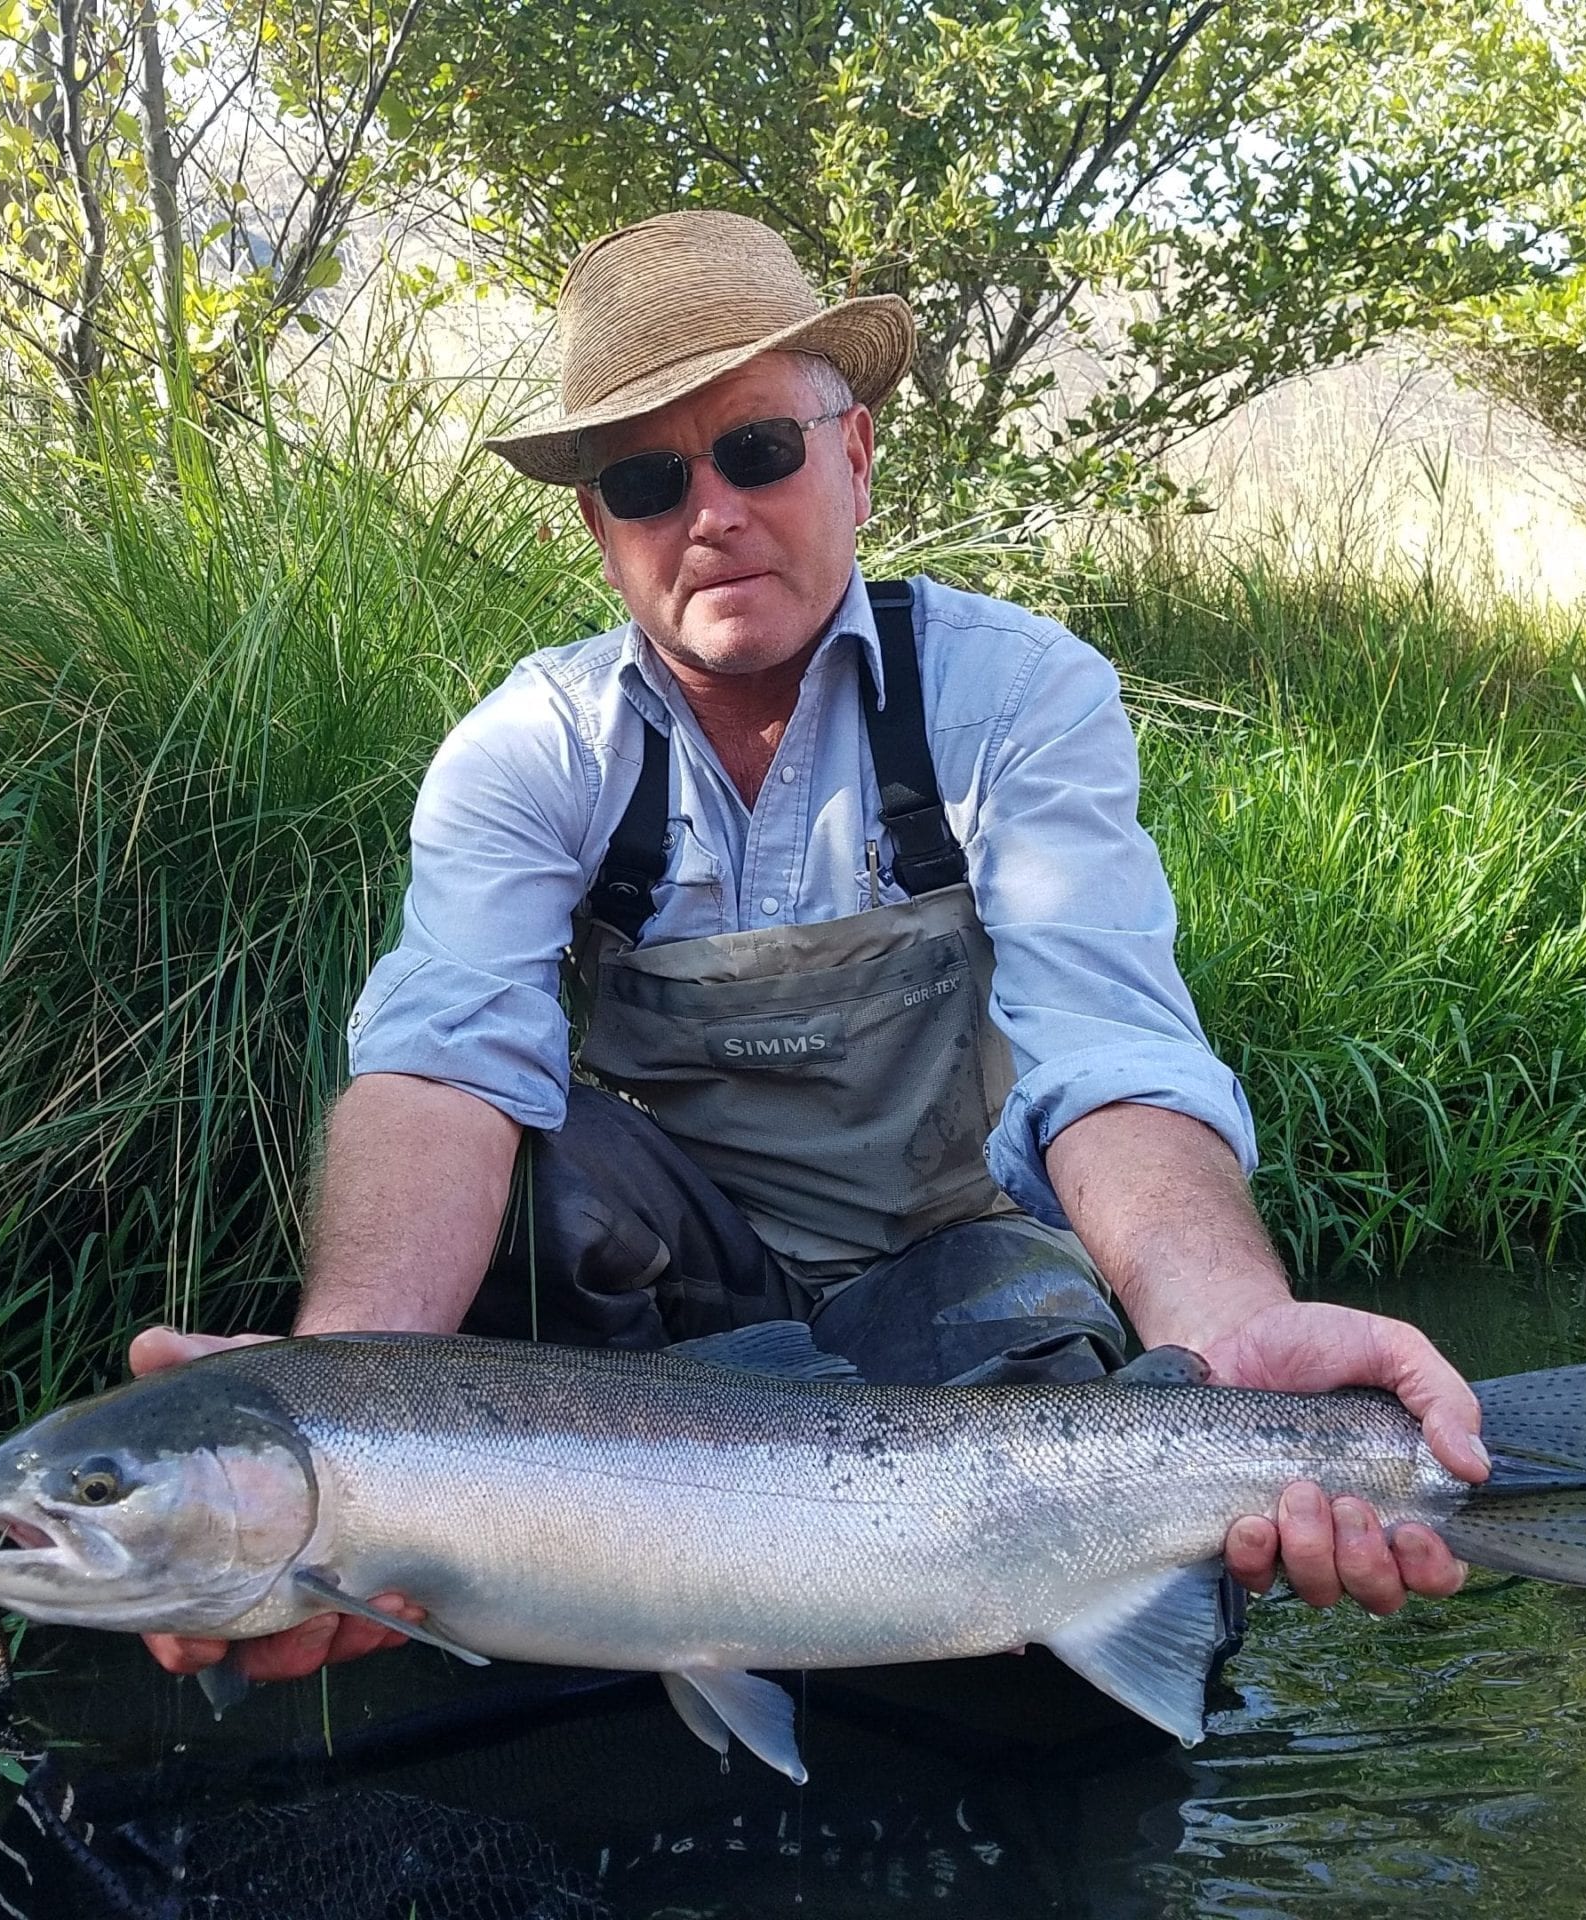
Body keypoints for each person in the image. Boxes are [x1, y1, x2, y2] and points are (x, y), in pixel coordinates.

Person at [134, 210, 1485, 1691]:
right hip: (682, 1300)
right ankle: (588, 1596)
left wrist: (1228, 1328)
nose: (710, 510)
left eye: (759, 450)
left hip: (956, 1268)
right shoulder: (528, 746)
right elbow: (441, 1066)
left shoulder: (1018, 694)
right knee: (545, 1176)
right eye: (647, 478)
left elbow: (1109, 1051)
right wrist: (335, 1407)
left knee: (1041, 1375)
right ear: (597, 529)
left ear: (853, 456)